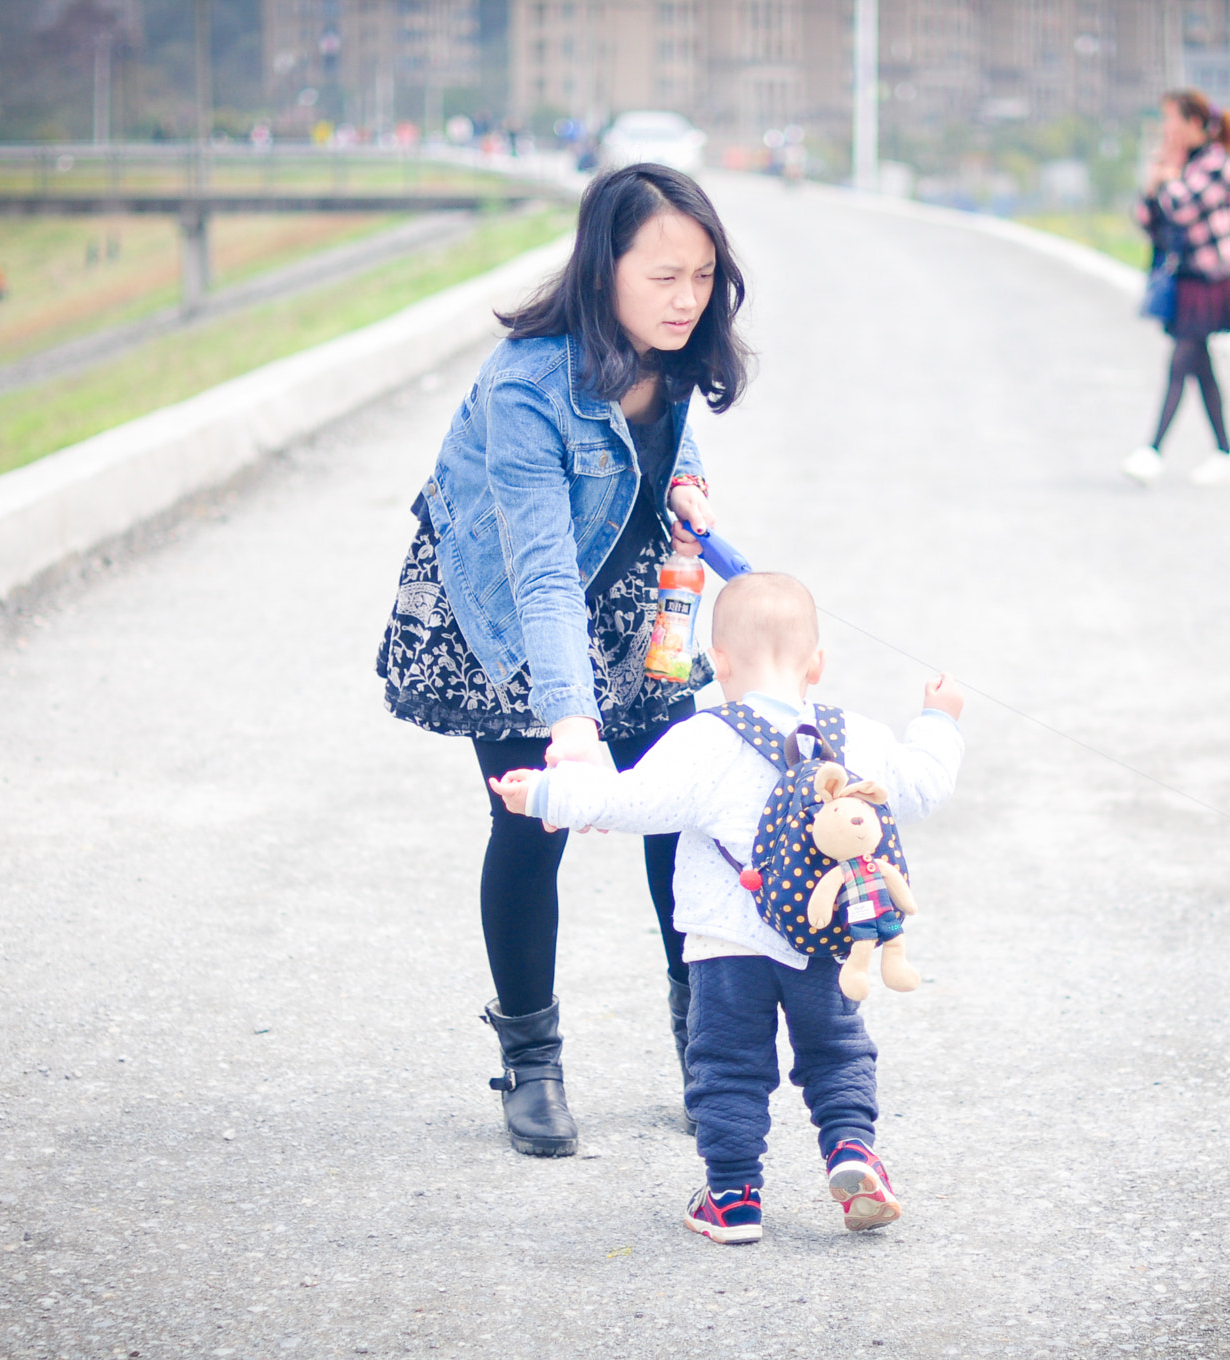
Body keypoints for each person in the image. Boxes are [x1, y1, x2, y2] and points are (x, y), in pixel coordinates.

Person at [375, 163, 750, 1159]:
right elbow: (540, 578)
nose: (685, 298)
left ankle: (707, 1051)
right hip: (504, 610)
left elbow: (668, 449)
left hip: (633, 602)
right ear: (602, 269)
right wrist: (571, 730)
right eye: (663, 275)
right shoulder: (523, 385)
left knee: (678, 813)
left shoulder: (671, 352)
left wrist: (691, 491)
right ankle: (530, 1061)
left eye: (702, 276)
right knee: (534, 828)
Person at [489, 573, 966, 1244]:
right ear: (818, 664)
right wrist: (937, 720)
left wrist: (542, 794)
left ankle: (733, 1197)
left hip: (725, 946)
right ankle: (853, 1151)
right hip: (824, 941)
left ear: (717, 663)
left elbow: (629, 802)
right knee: (836, 1052)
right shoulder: (855, 736)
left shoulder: (703, 738)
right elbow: (921, 786)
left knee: (729, 1066)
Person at [1123, 89, 1230, 488]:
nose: (1165, 128)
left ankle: (1153, 451)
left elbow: (1182, 207)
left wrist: (1168, 177)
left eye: (1170, 119)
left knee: (1182, 361)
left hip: (1209, 280)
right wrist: (1158, 179)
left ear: (1193, 123)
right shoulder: (1175, 164)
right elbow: (1147, 218)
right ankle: (1227, 453)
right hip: (1182, 279)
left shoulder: (1219, 164)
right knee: (1200, 367)